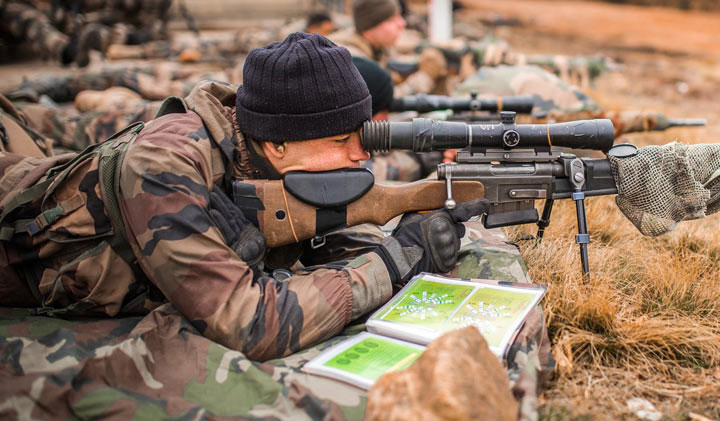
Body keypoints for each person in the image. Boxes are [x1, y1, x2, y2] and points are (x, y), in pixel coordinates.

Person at [0, 32, 486, 361]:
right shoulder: (164, 168)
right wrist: (396, 260)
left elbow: (319, 232)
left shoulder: (268, 154)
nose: (362, 154)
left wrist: (417, 210)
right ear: (277, 144)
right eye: (341, 143)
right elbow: (246, 322)